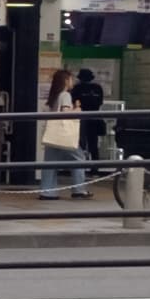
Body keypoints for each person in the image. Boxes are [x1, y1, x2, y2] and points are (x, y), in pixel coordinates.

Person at [38, 68, 92, 200]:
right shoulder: (65, 95)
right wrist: (77, 109)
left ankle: (47, 192)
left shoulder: (54, 96)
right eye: (71, 79)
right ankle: (79, 190)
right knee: (79, 158)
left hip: (52, 134)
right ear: (66, 81)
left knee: (50, 163)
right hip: (64, 134)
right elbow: (66, 113)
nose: (73, 81)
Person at [73, 68, 106, 161]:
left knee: (81, 144)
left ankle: (81, 163)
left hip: (81, 118)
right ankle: (95, 166)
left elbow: (74, 102)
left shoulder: (77, 88)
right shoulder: (98, 88)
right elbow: (100, 103)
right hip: (94, 118)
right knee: (93, 144)